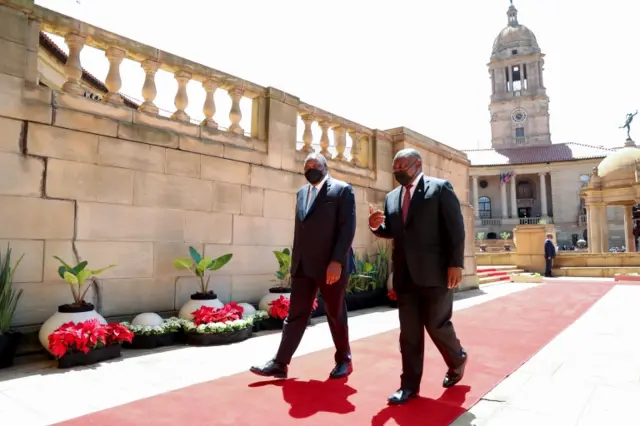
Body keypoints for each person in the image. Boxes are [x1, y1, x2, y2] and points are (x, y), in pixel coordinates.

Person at [368, 148, 468, 405]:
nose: (399, 171)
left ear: (418, 164)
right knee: (409, 334)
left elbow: (455, 228)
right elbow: (393, 231)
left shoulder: (440, 188)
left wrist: (455, 264)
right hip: (404, 275)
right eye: (396, 168)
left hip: (436, 272)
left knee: (437, 325)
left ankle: (457, 359)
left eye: (404, 166)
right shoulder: (391, 197)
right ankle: (409, 386)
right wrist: (375, 226)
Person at [250, 152, 357, 380]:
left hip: (330, 267)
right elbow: (302, 231)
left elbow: (347, 228)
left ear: (325, 167)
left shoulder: (342, 190)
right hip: (303, 267)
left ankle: (344, 360)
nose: (310, 170)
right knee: (295, 315)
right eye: (306, 167)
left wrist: (337, 262)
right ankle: (280, 363)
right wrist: (295, 263)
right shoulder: (301, 193)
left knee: (335, 313)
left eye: (315, 166)